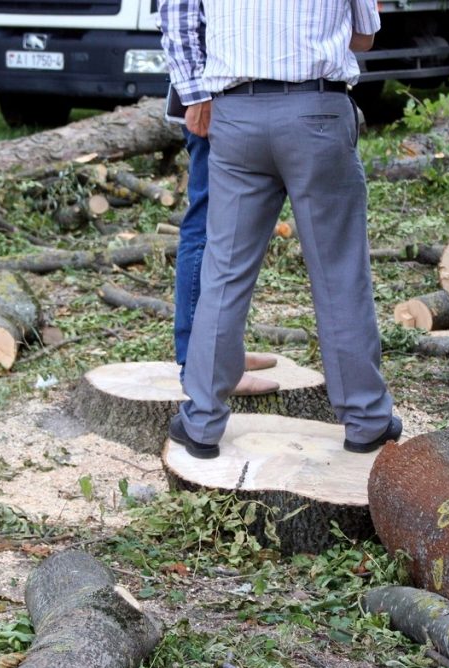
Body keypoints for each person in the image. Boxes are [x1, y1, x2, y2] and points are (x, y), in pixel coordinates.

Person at [160, 0, 401, 459]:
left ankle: (203, 420)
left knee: (224, 269)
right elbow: (364, 36)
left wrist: (197, 90)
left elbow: (176, 17)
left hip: (235, 116)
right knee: (340, 272)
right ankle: (366, 419)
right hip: (317, 111)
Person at [160, 4, 280, 398]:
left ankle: (222, 350)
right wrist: (198, 96)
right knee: (208, 225)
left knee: (233, 232)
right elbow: (178, 18)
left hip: (240, 95)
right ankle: (196, 361)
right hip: (214, 98)